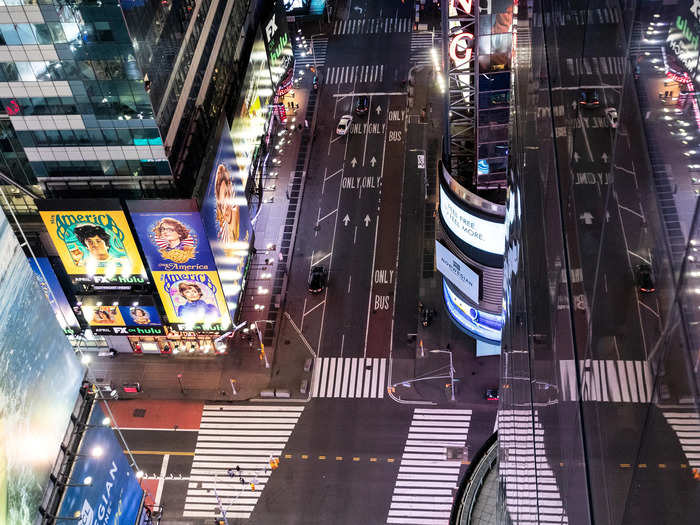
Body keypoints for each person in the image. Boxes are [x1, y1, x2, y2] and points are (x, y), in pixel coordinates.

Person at [215, 163, 241, 245]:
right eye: (222, 205)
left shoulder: (238, 211)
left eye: (226, 194)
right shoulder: (223, 238)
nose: (225, 207)